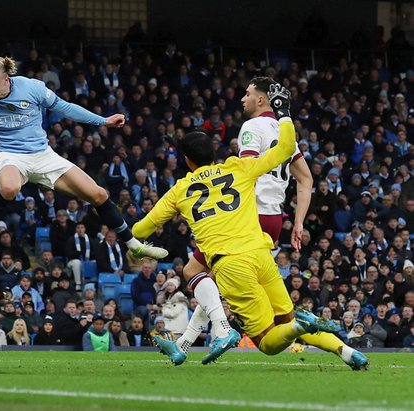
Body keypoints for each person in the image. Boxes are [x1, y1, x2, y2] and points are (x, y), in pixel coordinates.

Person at [132, 84, 353, 366]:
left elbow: (139, 230)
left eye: (247, 94)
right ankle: (347, 351)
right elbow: (303, 174)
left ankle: (222, 330)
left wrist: (136, 246)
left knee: (199, 272)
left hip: (247, 218)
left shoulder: (248, 130)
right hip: (272, 219)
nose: (242, 98)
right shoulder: (260, 149)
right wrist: (298, 221)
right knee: (269, 308)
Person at [0, 57, 168, 268]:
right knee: (9, 188)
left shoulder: (32, 88)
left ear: (6, 80)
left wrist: (104, 121)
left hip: (43, 155)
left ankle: (134, 246)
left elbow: (66, 108)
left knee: (99, 195)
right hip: (10, 155)